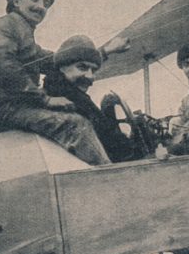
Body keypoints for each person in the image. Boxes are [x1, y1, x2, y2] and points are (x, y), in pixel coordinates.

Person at [0, 0, 127, 165]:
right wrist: (45, 99)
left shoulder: (23, 34)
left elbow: (57, 62)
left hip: (7, 106)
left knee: (78, 114)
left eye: (46, 4)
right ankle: (110, 174)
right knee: (74, 125)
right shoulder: (2, 27)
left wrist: (105, 51)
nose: (41, 6)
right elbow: (2, 68)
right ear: (16, 1)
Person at [44, 35, 148, 163]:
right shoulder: (71, 99)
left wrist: (107, 50)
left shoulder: (60, 89)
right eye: (82, 67)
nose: (90, 76)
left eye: (93, 70)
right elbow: (117, 147)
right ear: (62, 67)